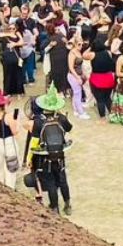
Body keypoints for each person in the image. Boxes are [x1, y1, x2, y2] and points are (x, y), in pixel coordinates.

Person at [30, 86, 73, 214]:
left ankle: (54, 207)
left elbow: (34, 141)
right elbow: (69, 129)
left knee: (50, 182)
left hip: (45, 156)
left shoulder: (38, 122)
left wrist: (29, 158)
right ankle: (67, 204)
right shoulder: (61, 118)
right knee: (62, 180)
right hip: (59, 155)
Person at [0, 88, 24, 189]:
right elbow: (15, 132)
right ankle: (9, 188)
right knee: (10, 170)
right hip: (8, 144)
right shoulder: (7, 117)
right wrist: (17, 122)